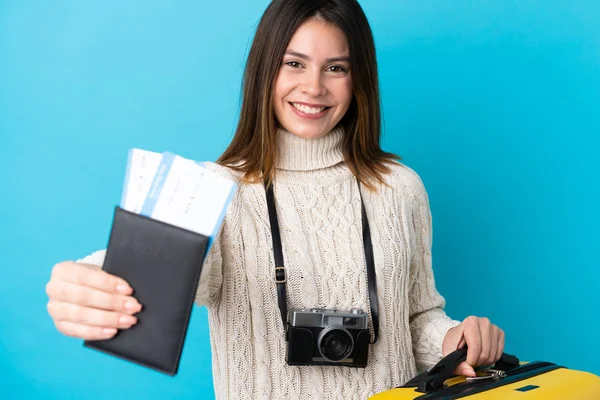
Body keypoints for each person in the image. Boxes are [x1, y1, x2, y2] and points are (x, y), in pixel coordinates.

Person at [45, 0, 505, 398]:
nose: (314, 87)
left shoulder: (399, 186)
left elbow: (417, 315)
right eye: (294, 63)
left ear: (358, 78)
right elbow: (152, 266)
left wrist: (452, 338)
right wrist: (88, 283)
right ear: (265, 70)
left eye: (337, 68)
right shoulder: (215, 190)